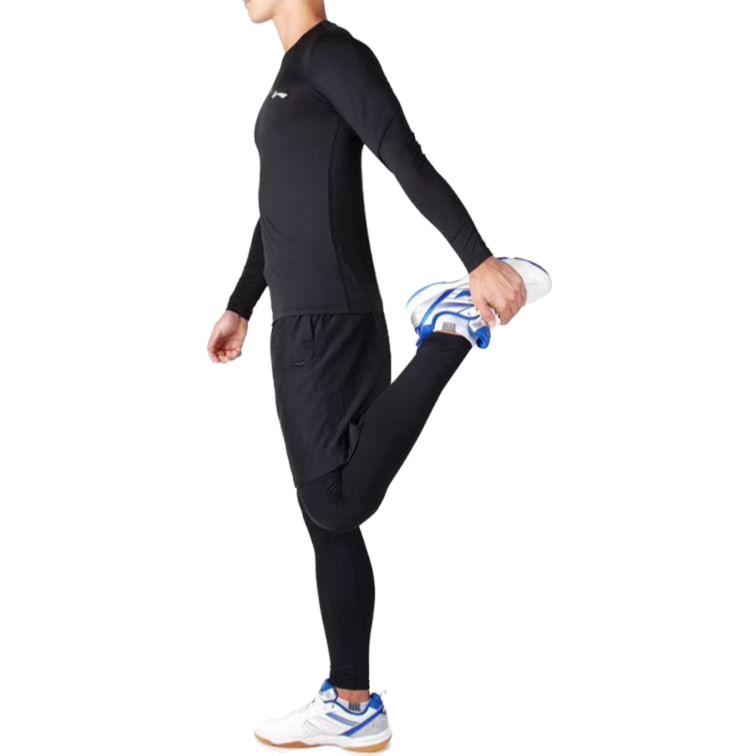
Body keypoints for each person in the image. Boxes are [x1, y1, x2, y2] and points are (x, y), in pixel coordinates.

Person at [207, 0, 551, 750]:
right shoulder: (292, 72)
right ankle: (351, 701)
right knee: (325, 521)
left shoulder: (333, 54)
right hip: (299, 318)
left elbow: (402, 151)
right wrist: (241, 303)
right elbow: (279, 206)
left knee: (336, 502)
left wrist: (477, 258)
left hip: (328, 320)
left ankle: (449, 333)